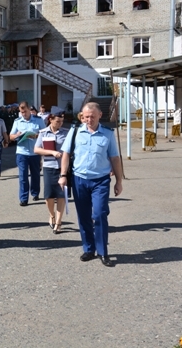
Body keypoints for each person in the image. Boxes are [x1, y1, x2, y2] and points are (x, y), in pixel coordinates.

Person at [59, 102, 123, 267]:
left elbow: (115, 158)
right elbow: (66, 154)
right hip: (79, 179)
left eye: (92, 117)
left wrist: (119, 181)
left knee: (100, 214)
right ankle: (89, 249)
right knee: (84, 216)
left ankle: (103, 252)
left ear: (100, 115)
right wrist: (63, 175)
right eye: (86, 117)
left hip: (100, 180)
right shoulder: (75, 132)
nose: (89, 120)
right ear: (82, 116)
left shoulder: (107, 134)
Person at [34, 108, 69, 234]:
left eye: (62, 121)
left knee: (61, 195)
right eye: (58, 121)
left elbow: (70, 149)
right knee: (48, 196)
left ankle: (58, 222)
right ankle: (51, 215)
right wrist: (52, 152)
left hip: (63, 168)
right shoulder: (43, 133)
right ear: (50, 120)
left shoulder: (66, 133)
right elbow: (36, 149)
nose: (60, 124)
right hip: (49, 167)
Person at [10, 101, 46, 206]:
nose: (23, 114)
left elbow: (44, 133)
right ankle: (23, 198)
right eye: (21, 112)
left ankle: (35, 193)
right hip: (22, 153)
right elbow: (10, 136)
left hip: (35, 152)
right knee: (23, 176)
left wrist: (36, 136)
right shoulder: (17, 121)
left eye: (25, 111)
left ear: (29, 109)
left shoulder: (38, 120)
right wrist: (16, 135)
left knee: (35, 175)